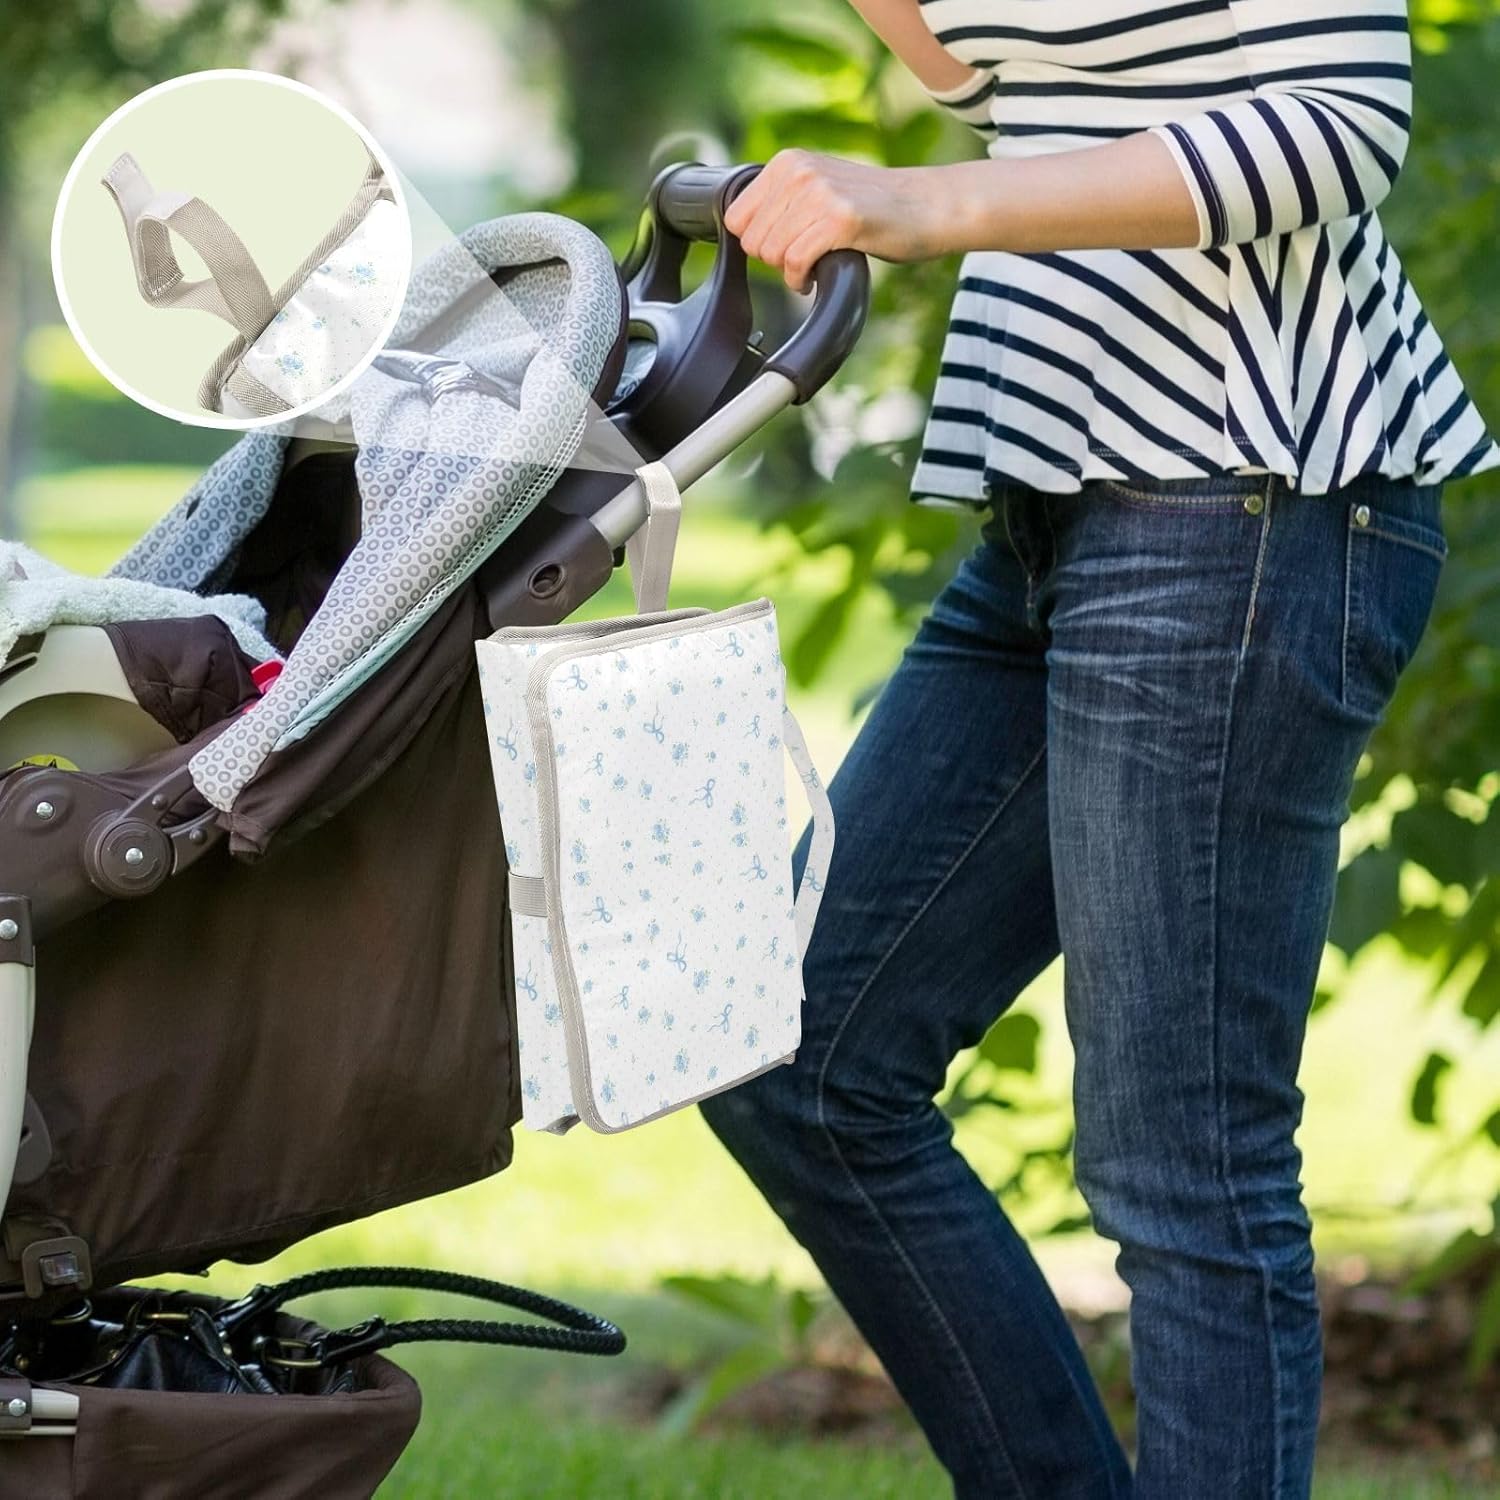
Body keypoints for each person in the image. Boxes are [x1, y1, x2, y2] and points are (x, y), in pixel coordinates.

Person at [698, 3, 1499, 1497]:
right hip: (1061, 484)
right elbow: (985, 62)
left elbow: (1339, 124)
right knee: (796, 1053)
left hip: (1247, 489)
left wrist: (927, 207)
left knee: (1186, 1171)